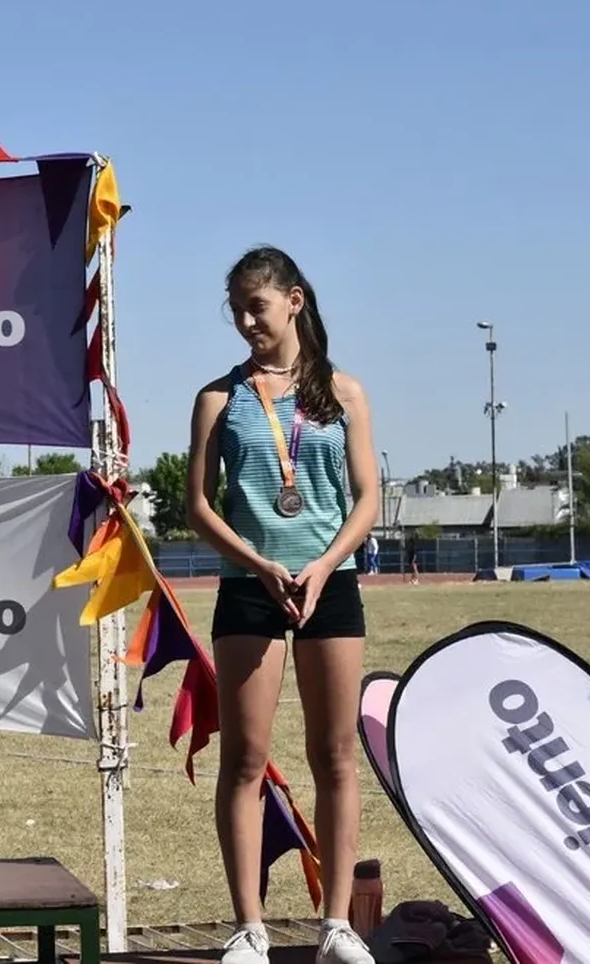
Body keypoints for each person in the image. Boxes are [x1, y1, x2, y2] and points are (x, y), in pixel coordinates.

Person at [185, 246, 380, 964]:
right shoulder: (218, 397)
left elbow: (367, 499)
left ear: (294, 300)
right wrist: (258, 563)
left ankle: (335, 925)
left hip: (331, 586)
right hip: (249, 588)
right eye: (235, 308)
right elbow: (198, 505)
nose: (244, 322)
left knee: (335, 756)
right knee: (246, 759)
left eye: (256, 307)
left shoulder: (345, 393)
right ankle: (249, 927)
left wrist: (325, 565)